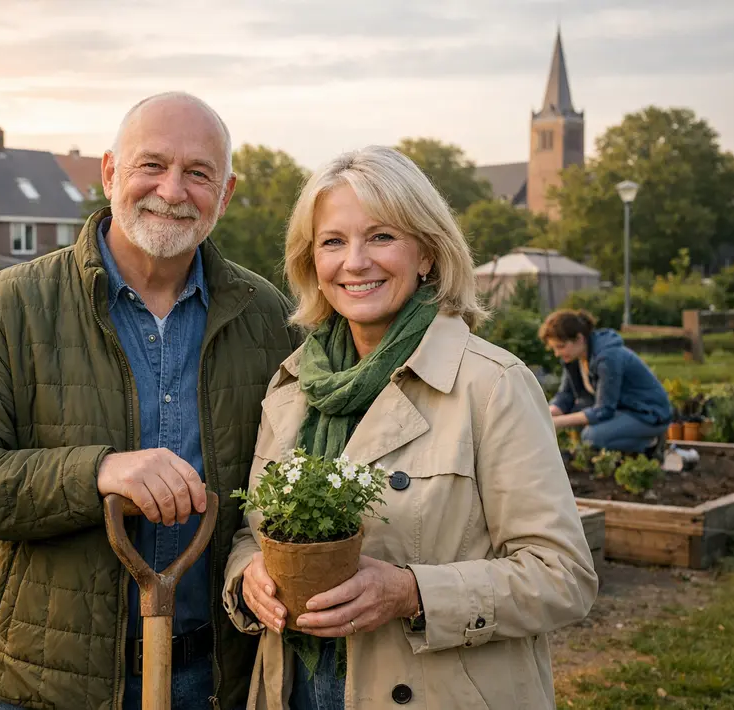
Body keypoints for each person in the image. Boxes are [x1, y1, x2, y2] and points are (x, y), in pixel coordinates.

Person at [0, 92, 301, 710]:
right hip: (53, 684)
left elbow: (296, 479)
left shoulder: (268, 318)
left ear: (224, 195)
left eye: (198, 174)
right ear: (110, 172)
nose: (172, 190)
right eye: (152, 165)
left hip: (221, 677)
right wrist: (98, 471)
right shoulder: (7, 307)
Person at [222, 146, 598, 709]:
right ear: (311, 263)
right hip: (295, 688)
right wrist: (249, 573)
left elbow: (563, 576)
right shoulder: (293, 385)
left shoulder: (490, 384)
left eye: (380, 237)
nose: (355, 261)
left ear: (426, 253)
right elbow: (254, 531)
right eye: (333, 241)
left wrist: (411, 593)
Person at [541, 309, 672, 454]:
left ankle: (649, 445)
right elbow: (565, 396)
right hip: (620, 410)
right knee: (576, 417)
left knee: (591, 436)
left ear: (579, 338)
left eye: (560, 347)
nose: (557, 353)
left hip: (647, 413)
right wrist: (547, 413)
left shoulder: (608, 358)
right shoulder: (574, 358)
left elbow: (604, 410)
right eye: (553, 348)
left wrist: (557, 422)